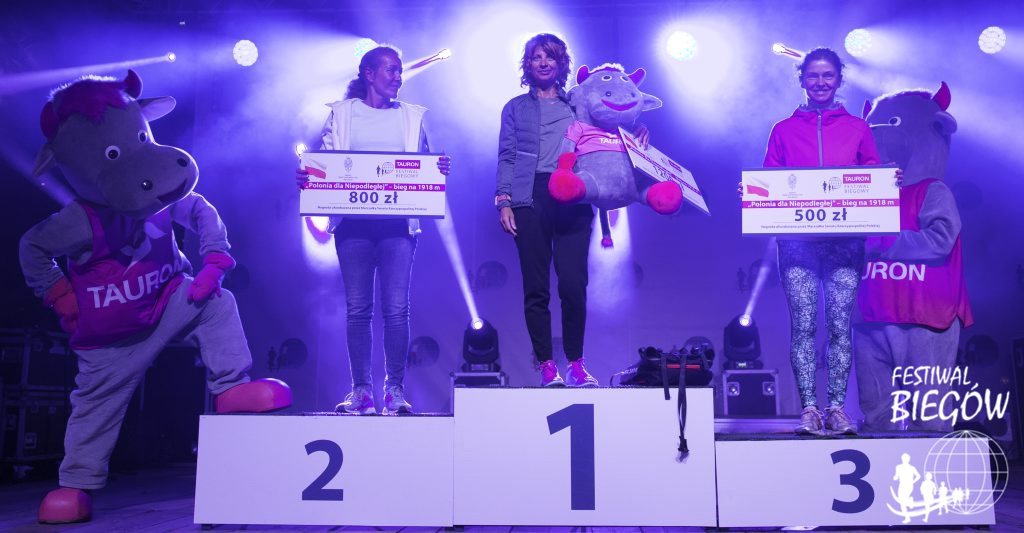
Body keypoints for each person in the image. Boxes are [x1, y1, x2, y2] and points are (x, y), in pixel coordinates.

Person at [300, 45, 451, 414]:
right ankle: (362, 391)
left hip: (398, 227)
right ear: (369, 74)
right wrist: (308, 176)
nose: (398, 76)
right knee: (358, 309)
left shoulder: (412, 116)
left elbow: (424, 164)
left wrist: (439, 168)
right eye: (391, 70)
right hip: (353, 227)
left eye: (399, 70)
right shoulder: (342, 114)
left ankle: (394, 391)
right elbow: (324, 161)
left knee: (397, 309)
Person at [494, 34, 647, 387]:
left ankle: (576, 364)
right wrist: (503, 200)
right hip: (530, 196)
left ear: (561, 64)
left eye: (550, 57)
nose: (543, 62)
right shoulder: (515, 107)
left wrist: (638, 131)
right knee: (536, 288)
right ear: (527, 64)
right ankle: (547, 365)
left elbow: (611, 122)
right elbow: (507, 155)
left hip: (573, 192)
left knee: (574, 284)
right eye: (536, 57)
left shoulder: (577, 101)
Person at [762, 47, 880, 435]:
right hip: (798, 244)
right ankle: (810, 409)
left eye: (828, 75)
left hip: (844, 244)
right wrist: (752, 191)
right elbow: (768, 179)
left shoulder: (858, 128)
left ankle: (837, 409)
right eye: (813, 75)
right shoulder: (783, 129)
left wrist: (887, 180)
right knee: (804, 326)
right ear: (802, 80)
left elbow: (873, 175)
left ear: (839, 80)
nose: (820, 82)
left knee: (840, 327)